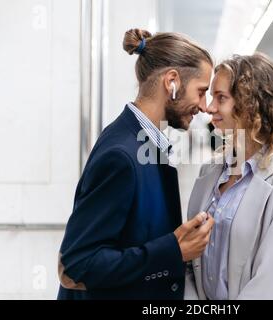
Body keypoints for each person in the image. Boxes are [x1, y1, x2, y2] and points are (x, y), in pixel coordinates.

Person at [57, 28, 215, 299]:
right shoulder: (121, 155)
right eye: (201, 92)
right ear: (172, 82)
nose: (203, 106)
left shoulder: (140, 141)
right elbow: (77, 265)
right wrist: (173, 251)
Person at [186, 53, 273, 299]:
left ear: (250, 105)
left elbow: (268, 284)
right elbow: (192, 265)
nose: (210, 107)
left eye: (220, 97)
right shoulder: (210, 171)